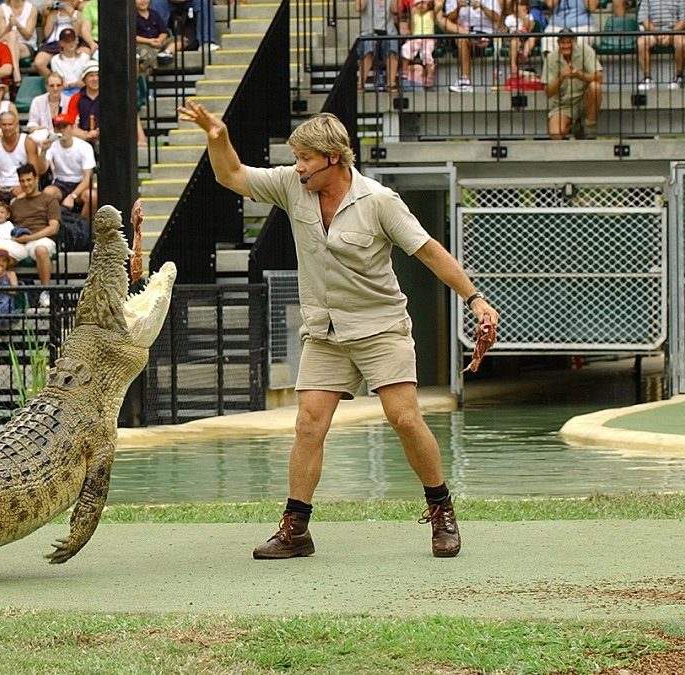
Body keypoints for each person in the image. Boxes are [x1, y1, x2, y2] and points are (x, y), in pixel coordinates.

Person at [179, 101, 500, 560]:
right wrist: (218, 137)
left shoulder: (379, 201)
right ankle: (296, 530)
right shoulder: (293, 186)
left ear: (333, 158)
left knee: (405, 418)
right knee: (308, 423)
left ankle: (441, 510)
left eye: (306, 158)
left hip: (381, 325)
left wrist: (476, 299)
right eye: (297, 157)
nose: (298, 166)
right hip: (324, 332)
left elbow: (428, 252)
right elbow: (232, 176)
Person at [6, 163, 59, 304]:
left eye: (29, 180)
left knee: (40, 249)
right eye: (22, 181)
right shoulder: (15, 203)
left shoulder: (49, 199)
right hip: (19, 241)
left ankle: (45, 291)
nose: (26, 184)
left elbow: (53, 228)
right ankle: (2, 293)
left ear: (36, 179)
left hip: (41, 238)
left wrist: (30, 238)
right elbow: (2, 219)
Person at [0, 110, 41, 223]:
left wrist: (22, 188)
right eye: (4, 124)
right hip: (2, 188)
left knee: (19, 199)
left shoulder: (27, 142)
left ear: (16, 125)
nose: (7, 127)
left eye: (10, 124)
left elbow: (35, 172)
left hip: (23, 186)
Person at [543, 29, 602, 139]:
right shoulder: (550, 58)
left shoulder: (586, 50)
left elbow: (599, 77)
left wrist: (579, 75)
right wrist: (561, 77)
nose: (566, 46)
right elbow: (548, 92)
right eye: (563, 43)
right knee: (555, 134)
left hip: (585, 99)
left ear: (574, 42)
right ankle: (573, 127)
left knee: (595, 87)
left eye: (569, 42)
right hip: (563, 104)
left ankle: (590, 127)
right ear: (558, 43)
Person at [41, 113, 96, 219]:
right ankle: (57, 226)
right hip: (60, 182)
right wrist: (43, 151)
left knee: (92, 197)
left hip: (79, 183)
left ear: (71, 127)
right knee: (47, 193)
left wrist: (72, 196)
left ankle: (82, 227)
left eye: (64, 126)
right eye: (58, 127)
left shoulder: (84, 147)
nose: (62, 130)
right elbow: (42, 170)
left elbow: (87, 178)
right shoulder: (52, 146)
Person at [443, 0, 500, 93]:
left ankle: (465, 81)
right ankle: (466, 82)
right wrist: (458, 7)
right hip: (461, 31)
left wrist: (482, 7)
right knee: (461, 38)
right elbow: (448, 19)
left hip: (483, 31)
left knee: (463, 38)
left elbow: (497, 18)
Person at [636, 0, 685, 91]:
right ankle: (647, 79)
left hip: (675, 32)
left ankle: (679, 77)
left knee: (682, 42)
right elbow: (644, 20)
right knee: (641, 42)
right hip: (654, 31)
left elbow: (683, 20)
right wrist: (657, 33)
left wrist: (670, 34)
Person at [32, 0, 83, 77]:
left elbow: (80, 33)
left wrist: (71, 14)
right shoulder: (53, 14)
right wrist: (51, 14)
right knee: (39, 63)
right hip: (53, 44)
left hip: (72, 43)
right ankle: (55, 81)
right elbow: (46, 34)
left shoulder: (77, 14)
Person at [0, 0, 39, 85]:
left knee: (12, 36)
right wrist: (10, 26)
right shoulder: (0, 9)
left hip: (26, 46)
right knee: (12, 35)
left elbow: (28, 36)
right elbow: (2, 35)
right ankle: (16, 72)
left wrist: (17, 25)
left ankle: (14, 73)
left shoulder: (31, 8)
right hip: (6, 45)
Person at [400, 0, 436, 89]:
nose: (421, 6)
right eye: (418, 4)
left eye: (423, 3)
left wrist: (430, 4)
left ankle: (430, 76)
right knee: (406, 48)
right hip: (416, 38)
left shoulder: (431, 13)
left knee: (426, 53)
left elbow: (438, 5)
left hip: (428, 39)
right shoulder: (414, 14)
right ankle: (404, 70)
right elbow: (411, 28)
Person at [135, 0, 174, 76]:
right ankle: (141, 73)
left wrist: (159, 40)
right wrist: (149, 41)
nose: (143, 1)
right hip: (143, 44)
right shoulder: (133, 16)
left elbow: (163, 32)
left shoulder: (154, 14)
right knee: (148, 55)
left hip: (158, 42)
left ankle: (166, 53)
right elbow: (133, 37)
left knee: (179, 40)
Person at [26, 73, 69, 140]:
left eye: (58, 85)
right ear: (46, 87)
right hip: (43, 138)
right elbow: (32, 124)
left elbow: (74, 124)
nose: (55, 88)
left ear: (62, 86)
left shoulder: (69, 101)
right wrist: (38, 128)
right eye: (52, 86)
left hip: (64, 137)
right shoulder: (37, 101)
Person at [65, 59, 99, 144]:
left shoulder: (109, 98)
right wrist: (86, 135)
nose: (95, 79)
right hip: (81, 140)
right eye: (91, 76)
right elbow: (71, 126)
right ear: (84, 79)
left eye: (98, 75)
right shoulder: (76, 99)